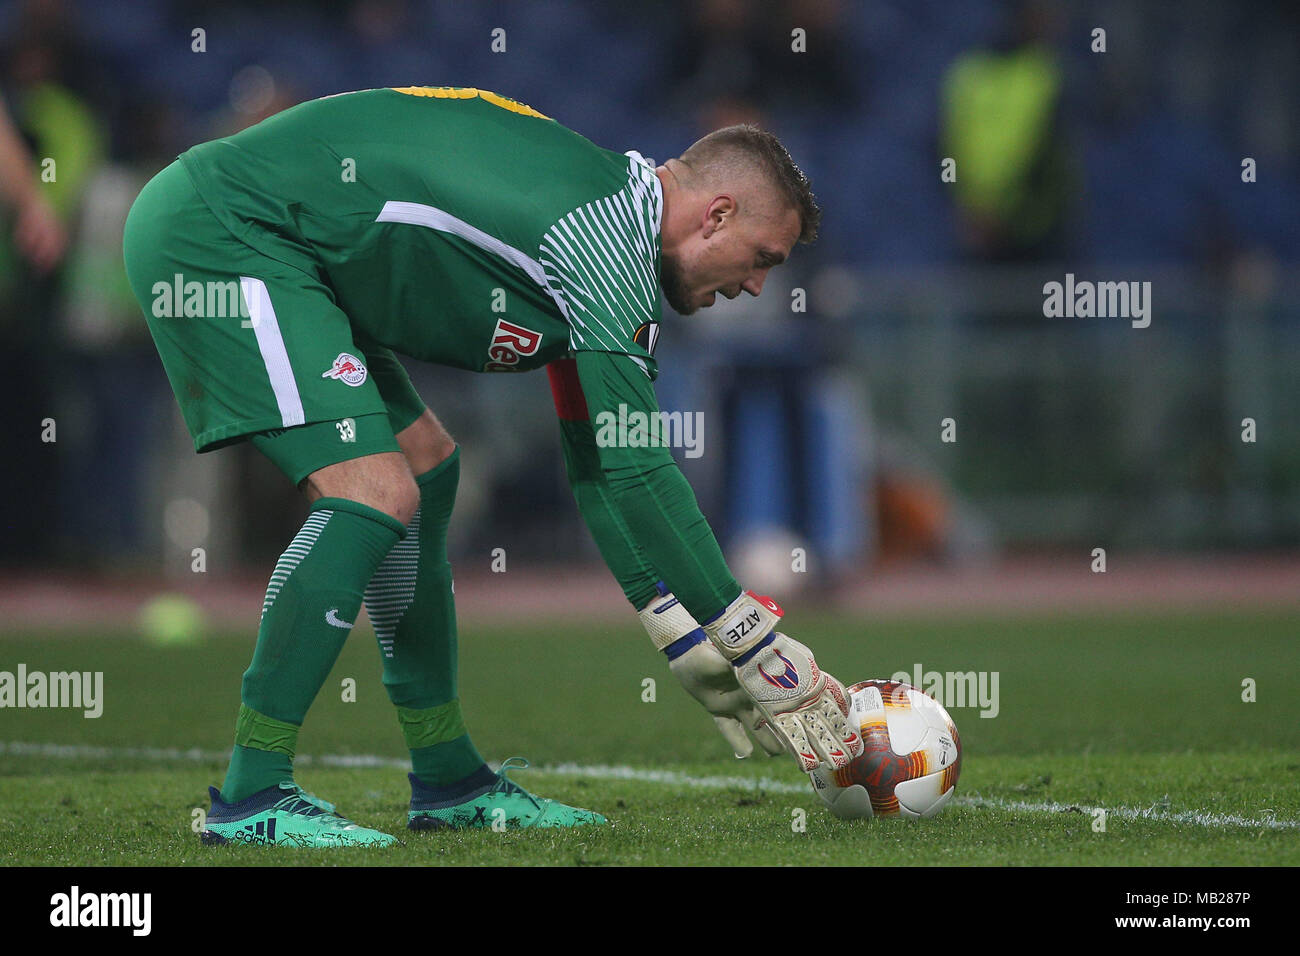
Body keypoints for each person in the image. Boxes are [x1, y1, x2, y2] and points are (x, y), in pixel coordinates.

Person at [122, 85, 862, 847]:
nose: (755, 286)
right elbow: (639, 472)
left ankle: (447, 779)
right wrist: (757, 647)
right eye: (762, 258)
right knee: (372, 491)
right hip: (226, 231)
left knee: (425, 466)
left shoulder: (611, 223)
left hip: (294, 247)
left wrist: (676, 630)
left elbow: (599, 465)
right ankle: (251, 795)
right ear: (717, 215)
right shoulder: (605, 237)